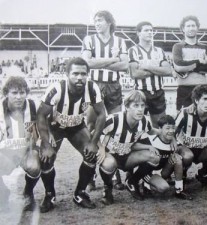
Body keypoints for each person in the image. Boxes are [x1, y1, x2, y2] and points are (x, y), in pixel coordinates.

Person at [36, 57, 106, 212]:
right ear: (67, 74)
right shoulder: (56, 89)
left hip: (76, 126)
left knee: (91, 154)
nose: (79, 77)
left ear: (87, 74)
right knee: (46, 158)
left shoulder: (93, 88)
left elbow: (102, 114)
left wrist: (94, 142)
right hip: (55, 127)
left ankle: (80, 193)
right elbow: (40, 115)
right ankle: (49, 195)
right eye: (75, 74)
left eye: (83, 73)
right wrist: (46, 143)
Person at [82, 10, 128, 189]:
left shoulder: (119, 41)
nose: (97, 23)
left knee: (116, 127)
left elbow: (124, 66)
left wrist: (101, 61)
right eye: (95, 21)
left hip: (114, 86)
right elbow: (88, 63)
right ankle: (90, 174)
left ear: (109, 22)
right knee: (92, 128)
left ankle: (114, 173)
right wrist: (113, 59)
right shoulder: (89, 40)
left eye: (100, 20)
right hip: (94, 86)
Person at [96, 90, 163, 204]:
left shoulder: (143, 122)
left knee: (154, 157)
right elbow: (95, 133)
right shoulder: (114, 119)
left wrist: (168, 134)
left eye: (142, 105)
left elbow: (152, 131)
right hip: (110, 156)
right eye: (136, 105)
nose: (140, 109)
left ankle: (132, 182)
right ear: (126, 106)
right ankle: (107, 188)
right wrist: (101, 148)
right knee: (109, 164)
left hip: (127, 156)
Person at [0, 76, 41, 211]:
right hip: (6, 152)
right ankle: (4, 193)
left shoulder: (32, 105)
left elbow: (38, 129)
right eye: (14, 93)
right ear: (6, 93)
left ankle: (28, 193)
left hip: (25, 150)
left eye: (22, 92)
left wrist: (37, 143)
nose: (19, 97)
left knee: (35, 166)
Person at [133, 115, 194, 200]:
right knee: (163, 188)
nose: (171, 131)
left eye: (173, 128)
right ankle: (146, 185)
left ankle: (179, 190)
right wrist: (148, 147)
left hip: (163, 171)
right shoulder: (151, 140)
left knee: (177, 158)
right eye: (167, 128)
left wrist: (175, 151)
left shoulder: (174, 142)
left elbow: (179, 149)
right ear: (160, 129)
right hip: (149, 172)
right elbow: (133, 146)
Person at [128, 21, 172, 128]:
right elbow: (135, 73)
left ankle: (158, 145)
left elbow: (168, 71)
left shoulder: (159, 51)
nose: (150, 33)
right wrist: (157, 70)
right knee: (137, 125)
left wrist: (147, 67)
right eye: (146, 30)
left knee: (160, 125)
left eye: (151, 30)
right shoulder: (133, 50)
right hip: (141, 92)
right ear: (138, 33)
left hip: (158, 93)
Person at [172, 16, 207, 111]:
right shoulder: (178, 46)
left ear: (197, 28)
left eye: (193, 25)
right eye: (188, 26)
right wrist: (199, 62)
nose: (191, 28)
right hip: (184, 88)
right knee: (183, 118)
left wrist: (189, 67)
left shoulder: (205, 47)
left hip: (202, 88)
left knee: (203, 117)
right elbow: (179, 64)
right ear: (183, 29)